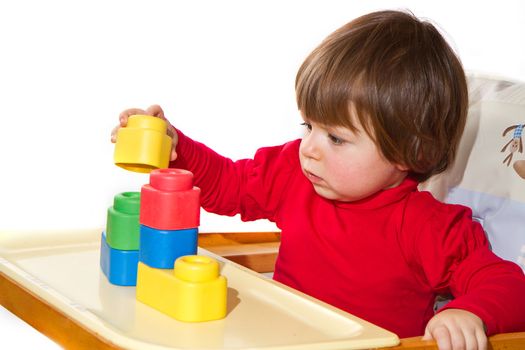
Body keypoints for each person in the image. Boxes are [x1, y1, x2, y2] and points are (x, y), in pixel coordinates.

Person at [111, 10, 525, 350]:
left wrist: (468, 313)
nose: (308, 147)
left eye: (336, 138)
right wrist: (176, 146)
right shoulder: (293, 174)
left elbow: (507, 285)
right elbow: (227, 185)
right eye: (307, 125)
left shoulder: (431, 228)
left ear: (408, 152)